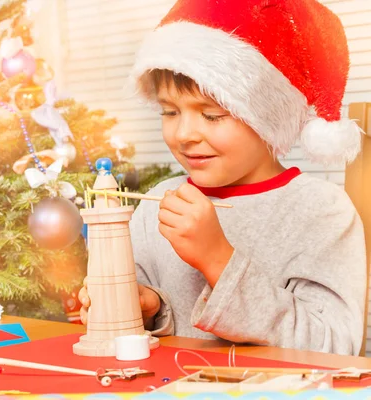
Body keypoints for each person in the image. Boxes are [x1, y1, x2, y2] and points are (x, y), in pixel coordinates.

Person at [78, 0, 367, 355]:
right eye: (169, 111)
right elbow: (148, 328)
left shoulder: (320, 211)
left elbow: (335, 345)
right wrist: (150, 307)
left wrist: (218, 259)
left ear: (266, 116)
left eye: (212, 115)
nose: (184, 133)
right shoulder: (158, 203)